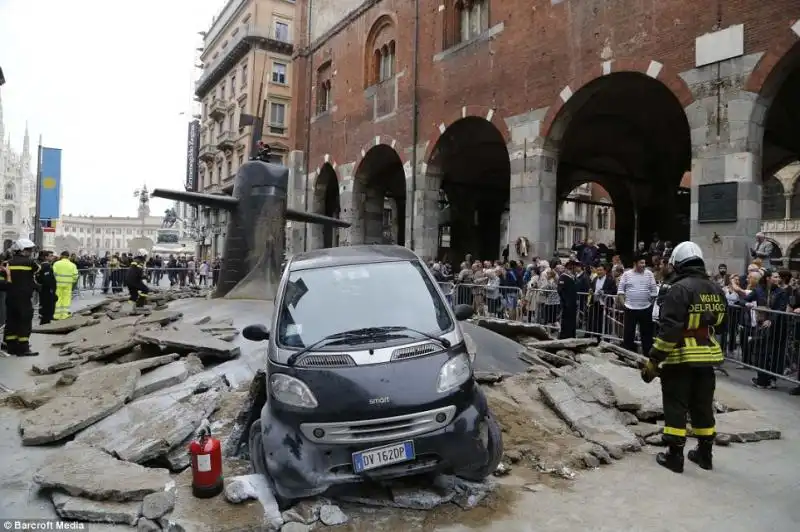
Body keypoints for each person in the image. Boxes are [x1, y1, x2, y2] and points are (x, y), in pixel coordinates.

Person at [641, 241, 726, 473]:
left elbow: (670, 330)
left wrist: (654, 359)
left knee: (676, 405)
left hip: (680, 357)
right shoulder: (716, 289)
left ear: (678, 264)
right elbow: (720, 323)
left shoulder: (679, 289)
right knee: (702, 405)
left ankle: (674, 456)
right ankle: (705, 454)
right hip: (707, 356)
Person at [3, 238, 40, 356]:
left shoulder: (7, 263)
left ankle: (11, 346)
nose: (30, 252)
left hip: (11, 296)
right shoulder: (30, 263)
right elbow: (38, 270)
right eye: (28, 250)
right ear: (23, 250)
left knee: (11, 320)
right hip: (24, 297)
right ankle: (23, 348)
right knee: (24, 320)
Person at [618, 255, 658, 354]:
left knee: (647, 337)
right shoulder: (626, 274)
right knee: (628, 336)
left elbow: (654, 292)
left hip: (645, 309)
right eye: (641, 263)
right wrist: (625, 305)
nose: (644, 265)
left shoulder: (649, 274)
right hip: (630, 309)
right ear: (635, 264)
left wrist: (649, 305)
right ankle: (627, 357)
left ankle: (647, 358)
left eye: (644, 263)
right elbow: (620, 292)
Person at [557, 259, 580, 338]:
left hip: (572, 303)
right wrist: (565, 301)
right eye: (570, 268)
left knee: (572, 321)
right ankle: (564, 335)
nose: (573, 270)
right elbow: (560, 290)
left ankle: (571, 335)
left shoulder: (572, 277)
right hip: (566, 304)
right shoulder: (563, 277)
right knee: (566, 321)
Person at [53, 251, 79, 320]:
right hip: (68, 285)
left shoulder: (56, 264)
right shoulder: (72, 265)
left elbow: (53, 274)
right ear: (68, 256)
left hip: (58, 284)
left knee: (58, 299)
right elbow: (76, 276)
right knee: (66, 299)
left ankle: (56, 315)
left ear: (61, 255)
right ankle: (64, 314)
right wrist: (72, 281)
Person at [35, 250, 57, 325]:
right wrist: (52, 290)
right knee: (47, 308)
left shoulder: (43, 265)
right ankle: (45, 323)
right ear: (46, 257)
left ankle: (45, 321)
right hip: (47, 290)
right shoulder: (46, 266)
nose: (52, 257)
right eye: (50, 256)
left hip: (45, 290)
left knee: (46, 308)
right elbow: (47, 280)